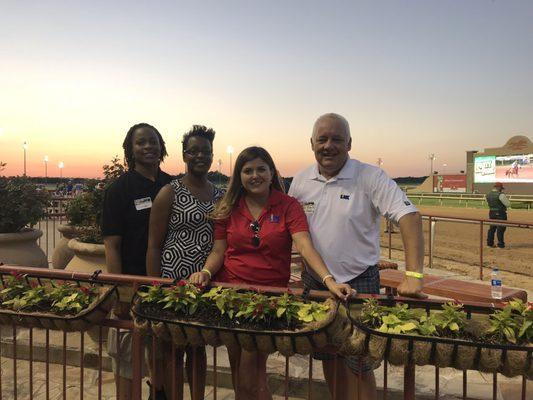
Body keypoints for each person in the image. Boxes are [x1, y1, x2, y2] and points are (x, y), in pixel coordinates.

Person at [189, 146, 353, 400]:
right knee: (240, 368)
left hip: (268, 300)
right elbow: (218, 251)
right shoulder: (229, 206)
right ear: (239, 176)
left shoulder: (288, 205)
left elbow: (305, 246)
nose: (255, 175)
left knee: (250, 369)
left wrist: (328, 280)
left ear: (271, 172)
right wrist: (206, 272)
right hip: (230, 295)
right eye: (248, 170)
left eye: (261, 169)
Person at [288, 113, 425, 400]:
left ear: (349, 143)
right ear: (311, 143)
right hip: (316, 283)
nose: (328, 146)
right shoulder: (300, 180)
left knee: (361, 363)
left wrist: (414, 275)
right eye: (322, 139)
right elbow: (295, 233)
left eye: (337, 139)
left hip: (359, 282)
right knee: (329, 356)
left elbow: (409, 216)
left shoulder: (370, 176)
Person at [146, 125, 224, 399]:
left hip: (205, 282)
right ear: (184, 155)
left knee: (198, 348)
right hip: (173, 283)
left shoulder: (219, 195)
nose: (201, 156)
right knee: (172, 350)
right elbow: (154, 245)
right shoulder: (170, 192)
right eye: (194, 151)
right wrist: (154, 288)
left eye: (206, 151)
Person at [102, 122, 172, 400]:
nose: (148, 147)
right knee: (127, 361)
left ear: (162, 146)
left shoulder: (172, 184)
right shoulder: (119, 190)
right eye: (141, 142)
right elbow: (112, 245)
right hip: (133, 287)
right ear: (130, 149)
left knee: (162, 357)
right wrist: (120, 291)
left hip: (166, 289)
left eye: (153, 141)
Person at [486, 182, 510, 248]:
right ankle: (500, 244)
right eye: (501, 188)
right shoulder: (501, 195)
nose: (502, 190)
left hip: (491, 212)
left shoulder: (488, 194)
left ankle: (489, 244)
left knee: (492, 228)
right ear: (499, 188)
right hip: (500, 213)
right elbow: (508, 204)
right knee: (501, 229)